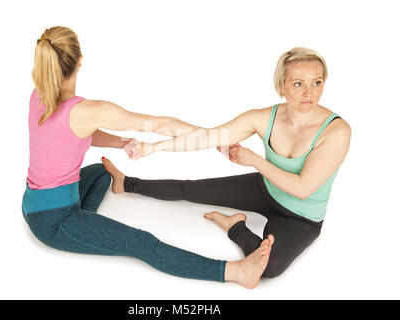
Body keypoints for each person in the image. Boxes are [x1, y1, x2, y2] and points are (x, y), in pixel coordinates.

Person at [22, 26, 274, 289]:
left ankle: (107, 200)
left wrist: (122, 143)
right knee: (139, 242)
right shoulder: (89, 111)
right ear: (80, 61)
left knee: (100, 170)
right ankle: (235, 272)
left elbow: (73, 134)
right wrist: (215, 140)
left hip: (32, 204)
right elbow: (160, 124)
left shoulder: (40, 95)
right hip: (54, 222)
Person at [102, 47, 351, 278]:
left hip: (300, 217)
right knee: (191, 189)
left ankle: (234, 226)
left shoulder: (336, 131)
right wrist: (153, 148)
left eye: (317, 83)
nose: (309, 92)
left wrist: (253, 160)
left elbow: (302, 188)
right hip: (265, 190)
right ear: (281, 87)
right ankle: (127, 183)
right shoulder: (263, 117)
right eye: (298, 84)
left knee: (268, 268)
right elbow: (209, 137)